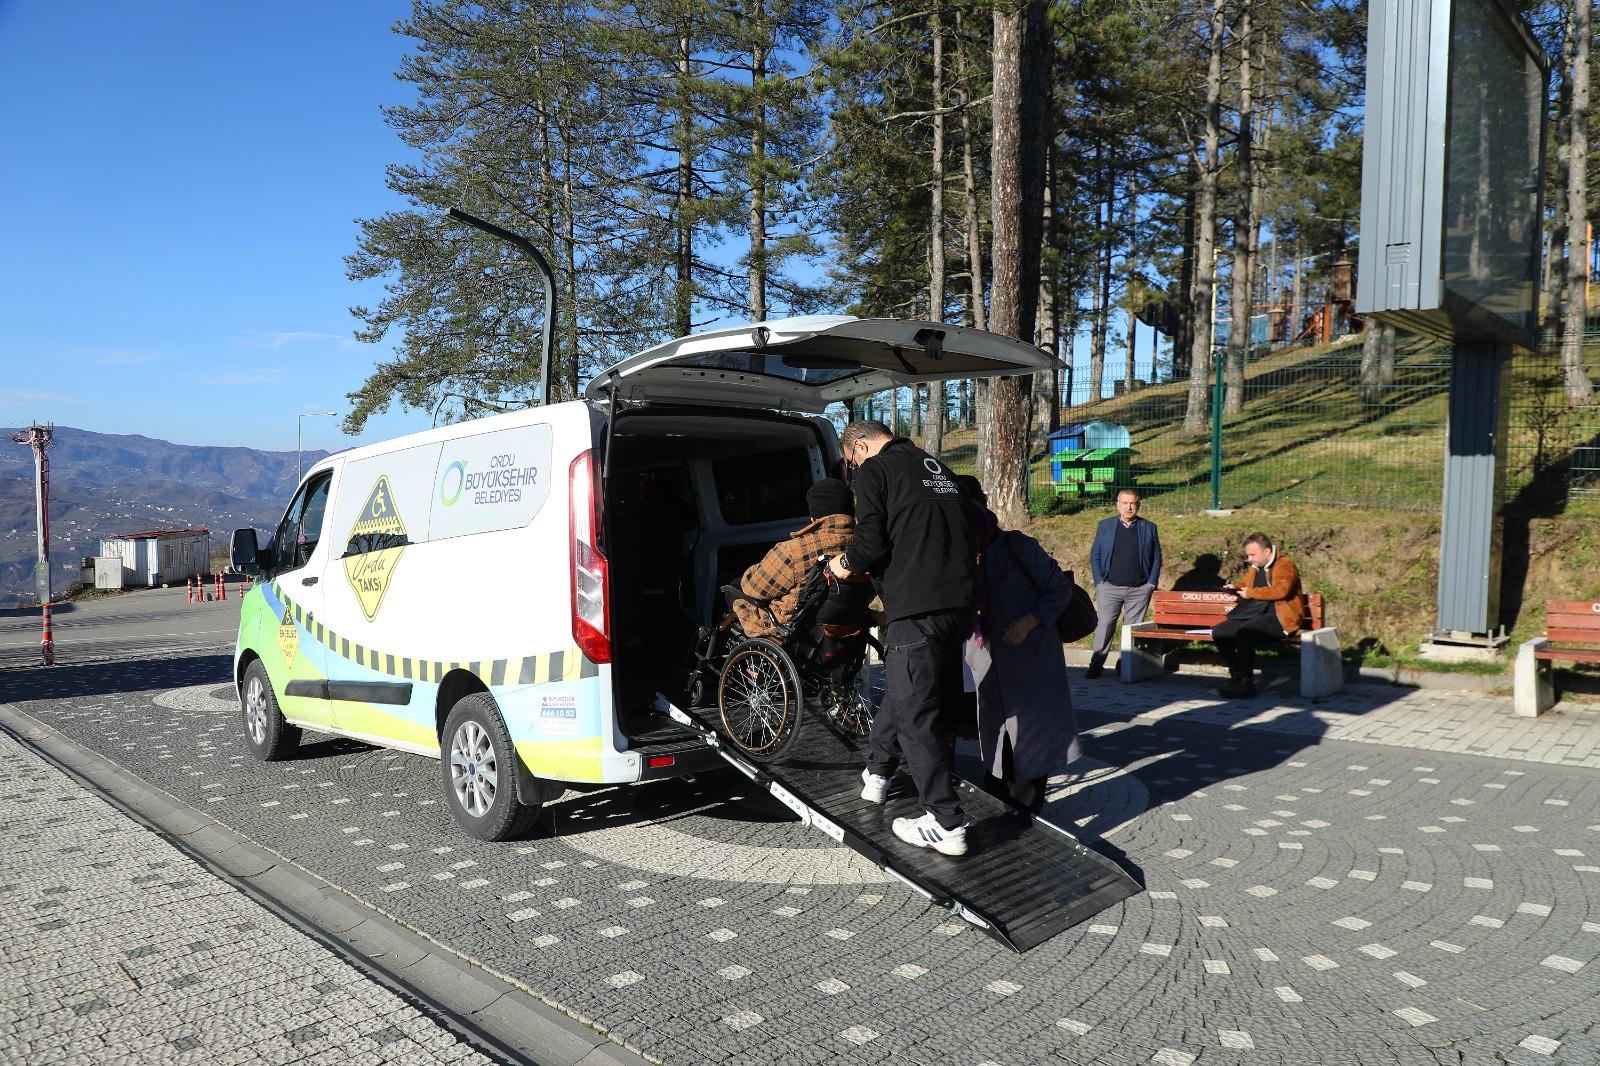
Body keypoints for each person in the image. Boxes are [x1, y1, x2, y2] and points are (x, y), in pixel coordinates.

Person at [829, 421, 976, 857]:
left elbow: (870, 541)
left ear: (860, 446)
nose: (853, 470)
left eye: (851, 461)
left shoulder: (877, 469)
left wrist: (844, 564)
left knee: (915, 714)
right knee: (902, 690)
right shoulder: (938, 467)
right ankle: (877, 774)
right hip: (960, 606)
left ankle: (946, 822)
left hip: (918, 607)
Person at [967, 505, 1081, 816]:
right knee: (995, 743)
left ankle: (1025, 819)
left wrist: (1029, 621)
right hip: (989, 665)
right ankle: (998, 812)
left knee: (1030, 745)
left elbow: (1059, 589)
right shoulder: (961, 558)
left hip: (1030, 660)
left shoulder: (1018, 546)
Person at [733, 478, 861, 639]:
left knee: (734, 588)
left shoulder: (795, 550)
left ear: (814, 518)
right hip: (842, 625)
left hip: (790, 628)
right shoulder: (862, 547)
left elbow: (754, 588)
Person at [1214, 532, 1305, 698]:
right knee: (1220, 632)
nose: (1249, 559)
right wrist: (1235, 588)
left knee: (1245, 633)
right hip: (1255, 614)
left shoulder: (1285, 564)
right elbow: (1246, 584)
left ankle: (1247, 683)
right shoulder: (1256, 568)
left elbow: (1281, 591)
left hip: (1280, 618)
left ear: (1267, 552)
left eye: (1252, 555)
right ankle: (1237, 675)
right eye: (1248, 555)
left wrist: (1251, 593)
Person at [1086, 488, 1162, 679]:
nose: (1129, 507)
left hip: (1139, 589)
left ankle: (1125, 665)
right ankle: (1096, 663)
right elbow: (1095, 554)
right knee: (1105, 625)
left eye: (1133, 503)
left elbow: (1156, 557)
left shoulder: (1149, 528)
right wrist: (1099, 581)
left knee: (1131, 630)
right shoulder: (1105, 526)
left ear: (1139, 505)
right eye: (1125, 503)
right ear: (1117, 505)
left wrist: (1151, 583)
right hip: (1109, 587)